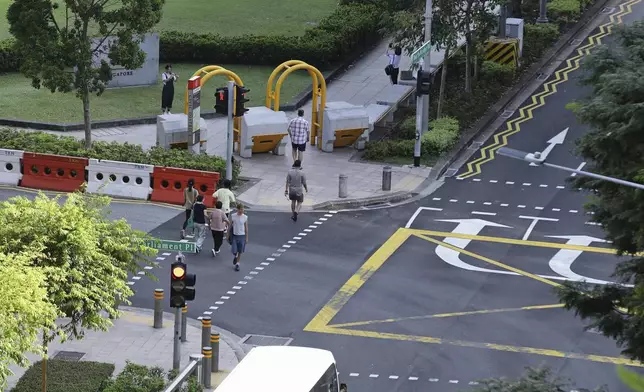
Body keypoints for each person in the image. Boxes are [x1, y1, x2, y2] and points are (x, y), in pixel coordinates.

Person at [228, 203, 248, 271]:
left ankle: (237, 264)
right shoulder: (233, 216)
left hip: (242, 235)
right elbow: (230, 226)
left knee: (240, 250)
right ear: (238, 209)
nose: (242, 210)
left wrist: (246, 237)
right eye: (241, 209)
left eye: (243, 209)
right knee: (234, 250)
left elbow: (246, 228)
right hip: (235, 235)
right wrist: (228, 235)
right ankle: (235, 256)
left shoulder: (245, 217)